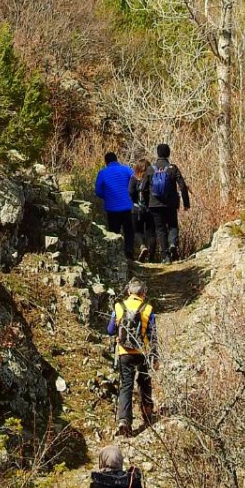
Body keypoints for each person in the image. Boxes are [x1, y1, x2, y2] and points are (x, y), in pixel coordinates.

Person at [108, 278, 158, 436]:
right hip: (141, 353)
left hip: (124, 353)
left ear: (129, 291)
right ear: (143, 293)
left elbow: (110, 330)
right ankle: (147, 412)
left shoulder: (119, 306)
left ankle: (124, 420)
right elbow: (152, 335)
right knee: (144, 383)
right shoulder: (148, 309)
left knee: (126, 386)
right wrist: (154, 356)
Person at [145, 143, 190, 263]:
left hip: (154, 204)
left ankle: (166, 256)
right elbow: (183, 186)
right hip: (170, 204)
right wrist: (186, 203)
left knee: (160, 230)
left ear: (157, 153)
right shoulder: (173, 168)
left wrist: (146, 204)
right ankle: (172, 244)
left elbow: (143, 188)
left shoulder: (150, 169)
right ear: (168, 154)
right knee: (173, 226)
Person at [95, 151, 135, 259]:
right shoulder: (126, 169)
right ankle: (129, 250)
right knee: (129, 231)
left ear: (106, 162)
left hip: (111, 208)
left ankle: (116, 255)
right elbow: (136, 181)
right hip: (127, 206)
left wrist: (107, 196)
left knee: (114, 232)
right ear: (116, 159)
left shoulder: (102, 173)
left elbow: (98, 191)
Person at [129, 156, 152, 262]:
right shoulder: (152, 178)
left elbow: (130, 192)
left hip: (136, 209)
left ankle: (142, 247)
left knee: (137, 231)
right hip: (150, 209)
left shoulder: (134, 178)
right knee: (151, 231)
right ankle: (151, 257)